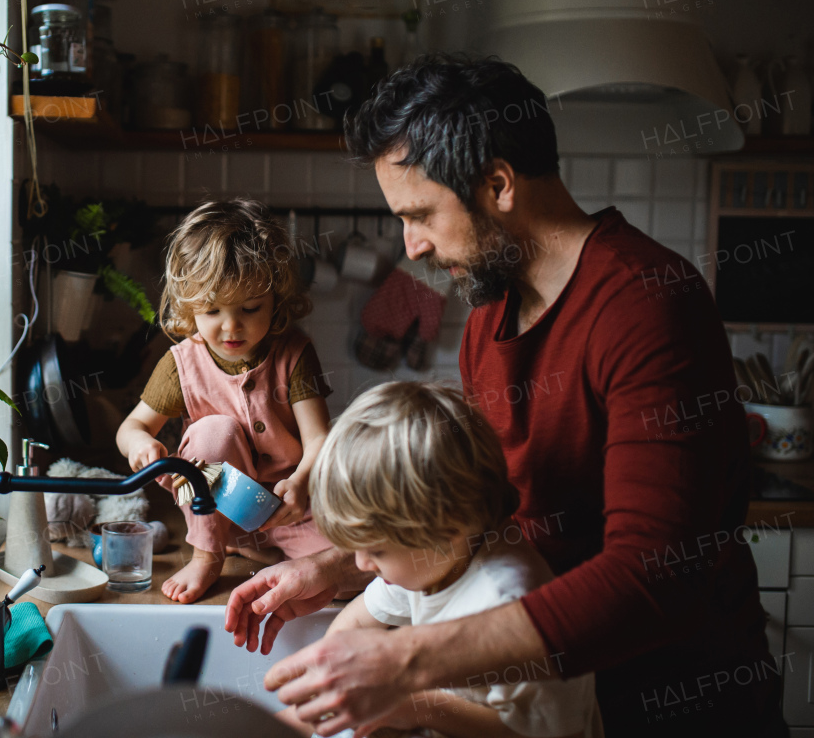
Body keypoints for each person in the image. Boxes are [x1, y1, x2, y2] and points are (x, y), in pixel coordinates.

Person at [223, 54, 783, 737]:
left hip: (675, 707)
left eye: (420, 214)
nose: (415, 247)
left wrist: (405, 662)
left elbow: (650, 575)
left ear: (498, 183)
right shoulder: (490, 316)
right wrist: (339, 565)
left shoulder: (647, 304)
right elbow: (471, 511)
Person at [278, 381, 602, 738]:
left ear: (445, 528)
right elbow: (355, 626)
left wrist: (412, 706)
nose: (360, 565)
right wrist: (314, 697)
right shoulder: (432, 560)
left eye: (376, 551)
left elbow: (540, 733)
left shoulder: (507, 603)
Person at [115, 199, 334, 604]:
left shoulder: (294, 352)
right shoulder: (181, 363)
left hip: (290, 509)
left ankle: (258, 543)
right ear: (188, 306)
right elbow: (131, 428)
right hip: (215, 503)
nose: (231, 326)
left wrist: (301, 485)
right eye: (212, 310)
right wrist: (140, 445)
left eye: (250, 308)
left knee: (348, 574)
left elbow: (320, 439)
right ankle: (208, 553)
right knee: (212, 432)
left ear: (276, 302)